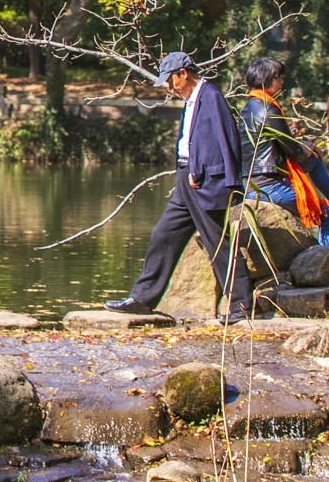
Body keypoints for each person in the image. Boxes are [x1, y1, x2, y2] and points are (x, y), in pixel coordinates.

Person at [104, 51, 253, 323]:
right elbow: (195, 139)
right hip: (187, 179)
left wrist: (210, 175)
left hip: (205, 181)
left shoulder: (211, 96)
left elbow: (224, 139)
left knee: (217, 243)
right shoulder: (193, 98)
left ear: (184, 73)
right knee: (164, 234)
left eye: (171, 81)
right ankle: (142, 298)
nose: (170, 88)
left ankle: (241, 305)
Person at [240, 57, 329, 246]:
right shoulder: (268, 110)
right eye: (278, 77)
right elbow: (293, 151)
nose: (281, 82)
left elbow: (282, 147)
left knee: (313, 159)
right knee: (327, 214)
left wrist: (306, 148)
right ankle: (326, 264)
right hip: (268, 187)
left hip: (254, 183)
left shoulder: (248, 108)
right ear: (268, 79)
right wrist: (309, 147)